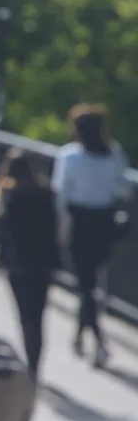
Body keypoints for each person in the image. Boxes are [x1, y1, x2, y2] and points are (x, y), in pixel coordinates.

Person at [51, 103, 131, 368]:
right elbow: (124, 189)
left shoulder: (70, 157)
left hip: (80, 223)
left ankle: (98, 341)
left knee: (86, 284)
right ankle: (79, 335)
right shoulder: (114, 153)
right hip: (104, 222)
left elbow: (60, 194)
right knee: (89, 282)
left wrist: (60, 230)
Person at [0, 147, 61, 379]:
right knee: (38, 313)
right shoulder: (47, 194)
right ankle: (35, 360)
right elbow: (61, 226)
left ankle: (30, 358)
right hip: (44, 262)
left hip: (17, 262)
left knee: (25, 313)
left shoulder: (6, 195)